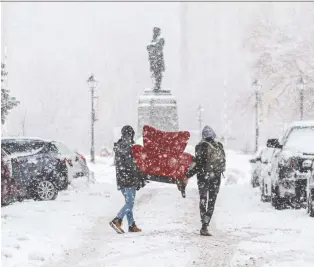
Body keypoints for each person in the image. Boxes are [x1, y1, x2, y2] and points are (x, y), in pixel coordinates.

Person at [185, 125, 226, 236]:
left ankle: (204, 224)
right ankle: (207, 222)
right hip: (216, 178)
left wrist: (188, 174)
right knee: (212, 201)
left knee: (203, 199)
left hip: (203, 177)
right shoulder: (219, 145)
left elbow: (199, 164)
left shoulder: (201, 146)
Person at [109, 125, 145, 234]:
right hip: (130, 178)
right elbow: (132, 165)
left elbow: (120, 164)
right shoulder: (130, 146)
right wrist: (140, 175)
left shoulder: (119, 146)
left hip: (121, 179)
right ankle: (117, 220)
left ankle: (131, 225)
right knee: (130, 202)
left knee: (128, 202)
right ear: (131, 134)